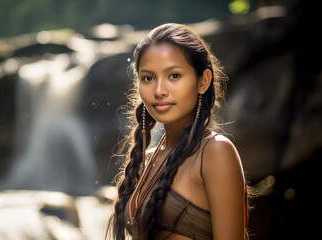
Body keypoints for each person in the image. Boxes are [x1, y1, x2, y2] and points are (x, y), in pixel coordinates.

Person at [106, 23, 249, 240]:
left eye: (174, 76)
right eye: (148, 78)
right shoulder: (146, 159)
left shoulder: (215, 152)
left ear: (203, 81)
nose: (159, 91)